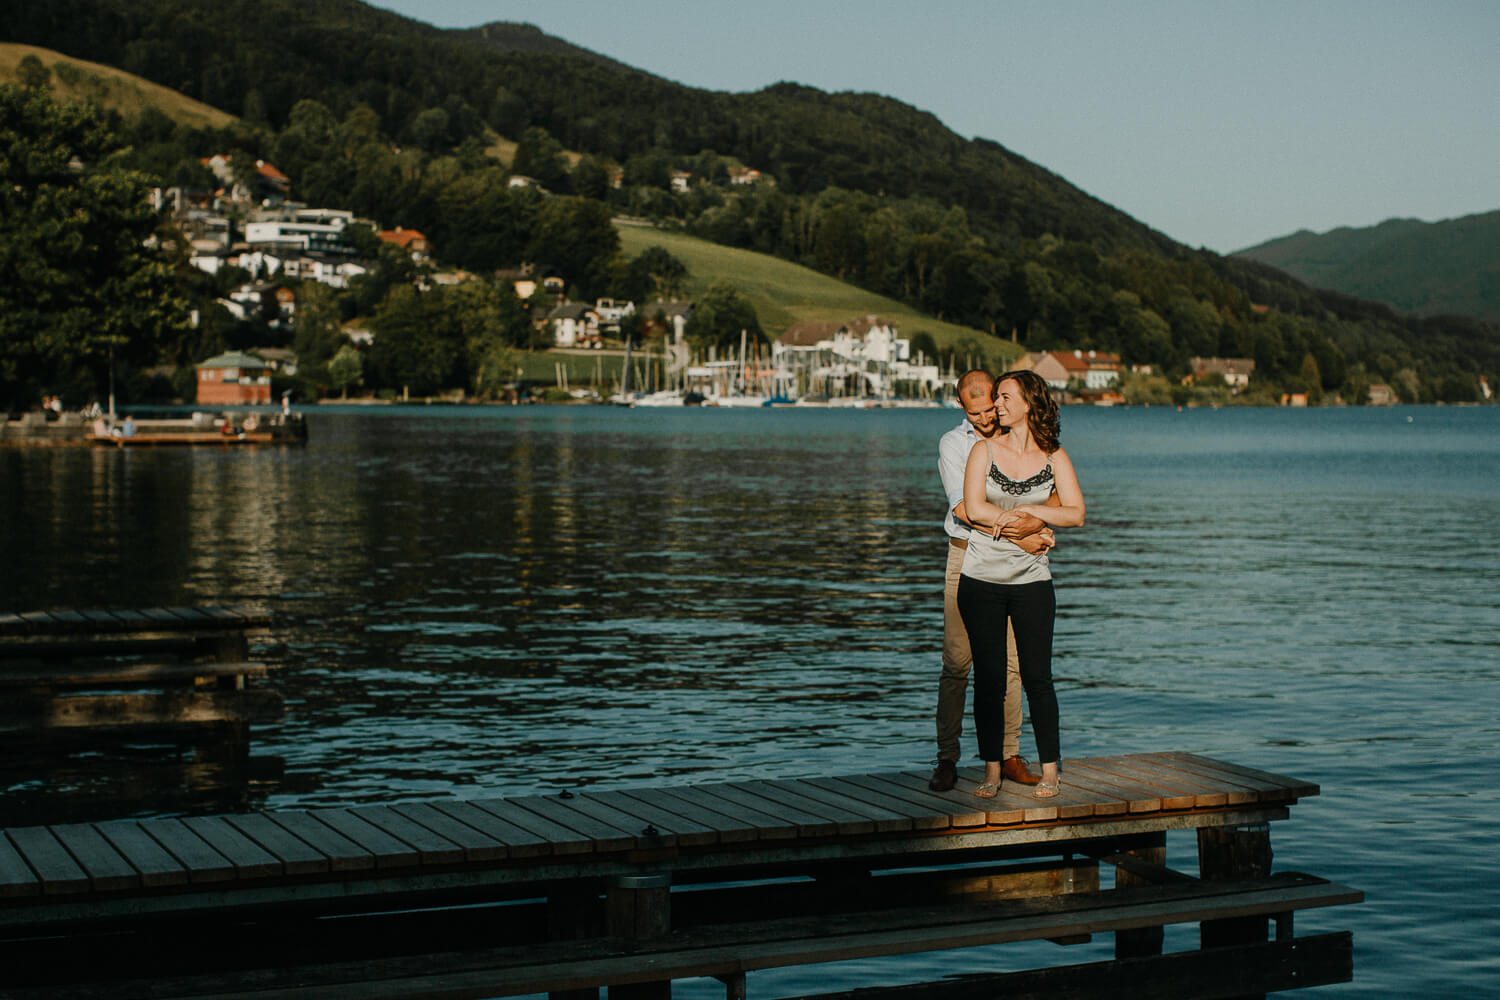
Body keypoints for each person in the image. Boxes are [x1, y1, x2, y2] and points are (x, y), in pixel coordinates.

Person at [956, 369, 1084, 798]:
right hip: (980, 579)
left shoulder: (1054, 456)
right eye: (997, 399)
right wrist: (1023, 529)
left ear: (1029, 403)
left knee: (1038, 677)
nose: (997, 407)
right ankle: (992, 770)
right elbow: (973, 508)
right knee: (990, 679)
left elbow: (1076, 512)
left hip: (1032, 581)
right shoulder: (982, 450)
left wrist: (1040, 517)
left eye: (1006, 398)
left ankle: (1050, 770)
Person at [930, 370, 1055, 792]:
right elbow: (964, 508)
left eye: (990, 409)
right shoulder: (955, 444)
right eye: (975, 412)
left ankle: (1009, 753)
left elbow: (1044, 492)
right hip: (966, 557)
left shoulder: (1016, 437)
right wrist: (1021, 528)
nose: (986, 418)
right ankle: (947, 758)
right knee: (958, 662)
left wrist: (1039, 528)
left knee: (1014, 665)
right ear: (962, 408)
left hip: (1017, 560)